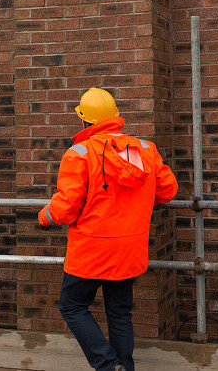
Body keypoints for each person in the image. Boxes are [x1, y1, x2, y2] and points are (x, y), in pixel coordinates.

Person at [38, 87, 178, 371]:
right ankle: (123, 366)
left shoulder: (79, 153)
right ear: (115, 116)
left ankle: (107, 364)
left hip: (90, 251)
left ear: (84, 121)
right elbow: (168, 192)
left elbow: (64, 209)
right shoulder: (144, 149)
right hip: (129, 251)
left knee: (72, 306)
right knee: (120, 314)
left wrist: (44, 217)